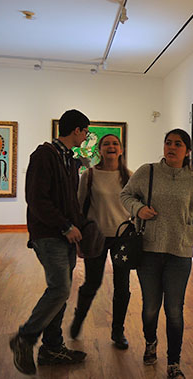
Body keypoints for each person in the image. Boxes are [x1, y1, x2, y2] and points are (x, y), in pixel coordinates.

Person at [120, 128, 193, 379]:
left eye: (178, 144)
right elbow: (125, 195)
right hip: (148, 251)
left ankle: (174, 363)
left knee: (174, 310)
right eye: (168, 143)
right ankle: (151, 342)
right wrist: (138, 209)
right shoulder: (147, 172)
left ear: (187, 151)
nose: (171, 148)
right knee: (151, 307)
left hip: (179, 253)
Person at [9, 109, 90, 375]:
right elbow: (36, 198)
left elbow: (71, 202)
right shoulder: (44, 155)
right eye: (85, 131)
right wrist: (65, 226)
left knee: (60, 293)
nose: (86, 136)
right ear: (77, 130)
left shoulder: (69, 159)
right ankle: (25, 337)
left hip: (65, 235)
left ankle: (52, 348)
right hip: (49, 234)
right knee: (60, 289)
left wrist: (79, 230)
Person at [69, 134, 132, 350]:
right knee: (92, 282)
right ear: (100, 150)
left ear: (121, 150)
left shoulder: (130, 176)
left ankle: (118, 331)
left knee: (122, 287)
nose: (111, 147)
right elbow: (79, 206)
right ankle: (78, 319)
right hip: (96, 236)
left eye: (115, 144)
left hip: (122, 237)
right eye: (106, 144)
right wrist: (78, 239)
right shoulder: (89, 175)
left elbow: (135, 206)